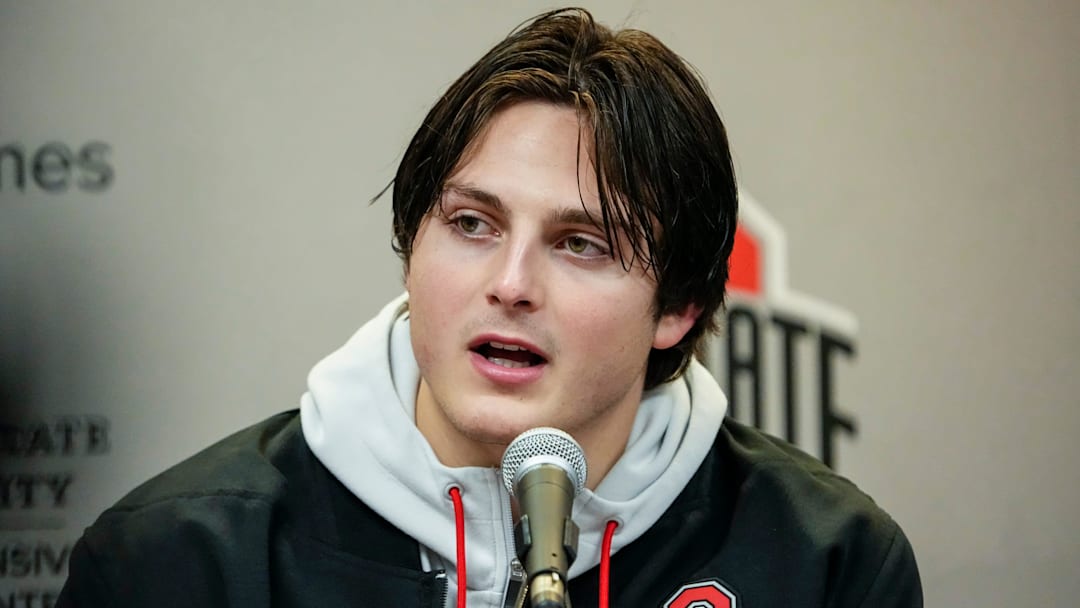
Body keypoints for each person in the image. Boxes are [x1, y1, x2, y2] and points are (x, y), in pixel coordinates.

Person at [58, 8, 921, 607]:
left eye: (581, 243)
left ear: (680, 307)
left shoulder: (826, 563)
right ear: (412, 248)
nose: (511, 283)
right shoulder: (177, 562)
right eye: (472, 224)